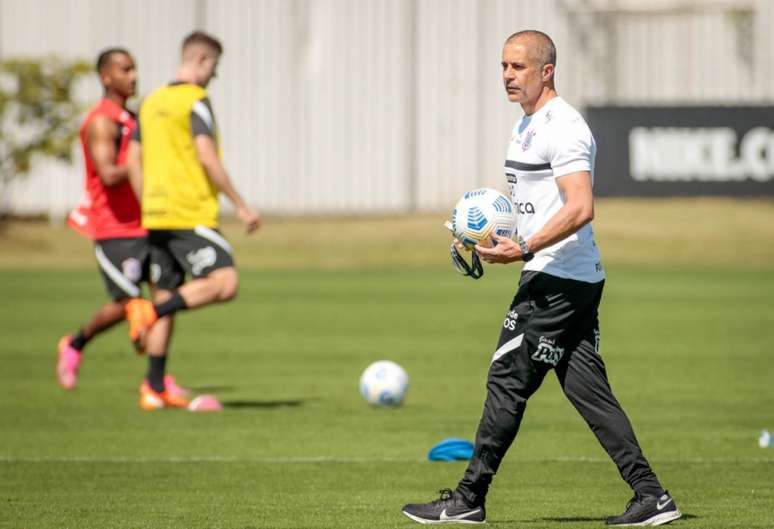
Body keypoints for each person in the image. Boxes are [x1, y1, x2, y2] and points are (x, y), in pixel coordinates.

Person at [402, 30, 681, 526]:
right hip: (563, 275)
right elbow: (536, 206)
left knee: (506, 379)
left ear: (546, 71)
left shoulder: (564, 127)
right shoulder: (526, 125)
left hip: (558, 280)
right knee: (586, 390)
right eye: (503, 67)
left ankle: (468, 498)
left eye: (518, 67)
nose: (507, 76)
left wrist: (525, 247)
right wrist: (485, 229)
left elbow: (581, 206)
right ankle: (652, 496)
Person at [126, 31, 261, 411]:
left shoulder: (149, 103)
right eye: (214, 67)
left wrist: (148, 203)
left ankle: (153, 388)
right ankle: (147, 313)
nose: (214, 75)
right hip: (190, 213)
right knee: (225, 282)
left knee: (168, 292)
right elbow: (206, 156)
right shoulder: (196, 101)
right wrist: (241, 204)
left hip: (156, 214)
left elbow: (132, 161)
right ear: (201, 61)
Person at [57, 48, 188, 399]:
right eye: (125, 69)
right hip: (114, 227)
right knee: (126, 303)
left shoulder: (133, 117)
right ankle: (75, 343)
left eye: (135, 69)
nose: (133, 76)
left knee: (166, 297)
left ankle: (156, 382)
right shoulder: (103, 121)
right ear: (106, 76)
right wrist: (146, 166)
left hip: (148, 223)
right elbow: (109, 174)